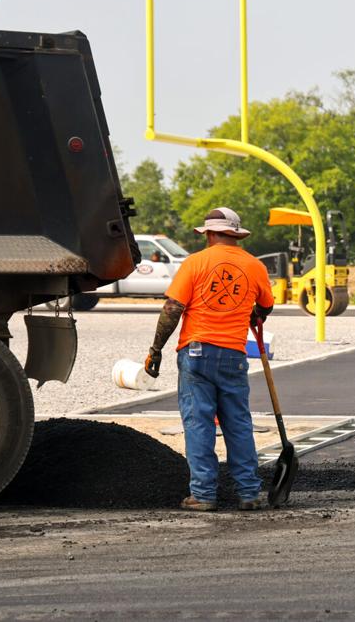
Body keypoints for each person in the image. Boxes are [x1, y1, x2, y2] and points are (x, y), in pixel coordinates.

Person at [143, 207, 274, 511]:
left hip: (197, 352)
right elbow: (265, 307)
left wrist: (156, 349)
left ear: (210, 234)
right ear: (236, 234)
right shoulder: (255, 266)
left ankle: (203, 495)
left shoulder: (195, 263)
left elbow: (173, 309)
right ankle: (249, 493)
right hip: (233, 355)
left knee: (199, 423)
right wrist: (251, 313)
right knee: (239, 423)